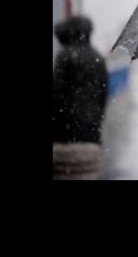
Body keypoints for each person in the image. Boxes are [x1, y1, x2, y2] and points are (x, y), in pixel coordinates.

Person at [52, 15, 109, 179]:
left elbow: (57, 96)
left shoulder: (65, 56)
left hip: (65, 138)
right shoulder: (98, 58)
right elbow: (103, 97)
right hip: (92, 137)